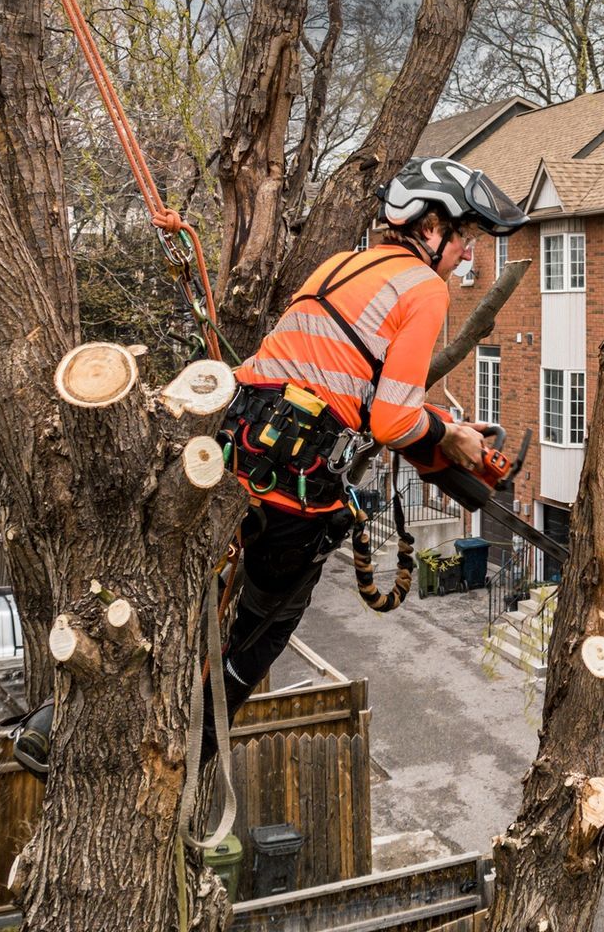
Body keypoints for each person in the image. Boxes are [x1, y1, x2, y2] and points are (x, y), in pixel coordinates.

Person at [213, 155, 527, 722]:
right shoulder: (426, 289)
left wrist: (444, 429)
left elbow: (353, 383)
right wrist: (445, 435)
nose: (467, 254)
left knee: (196, 593)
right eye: (463, 237)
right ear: (429, 228)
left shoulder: (341, 266)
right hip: (293, 481)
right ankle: (199, 740)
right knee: (267, 620)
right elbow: (388, 423)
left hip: (233, 443)